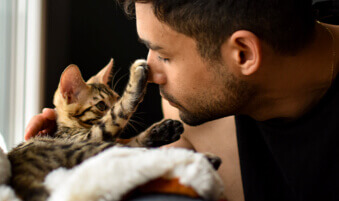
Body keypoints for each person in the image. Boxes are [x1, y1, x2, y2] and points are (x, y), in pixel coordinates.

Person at [25, 0, 339, 201]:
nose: (148, 73)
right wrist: (80, 159)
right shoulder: (189, 114)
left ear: (243, 53)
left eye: (163, 55)